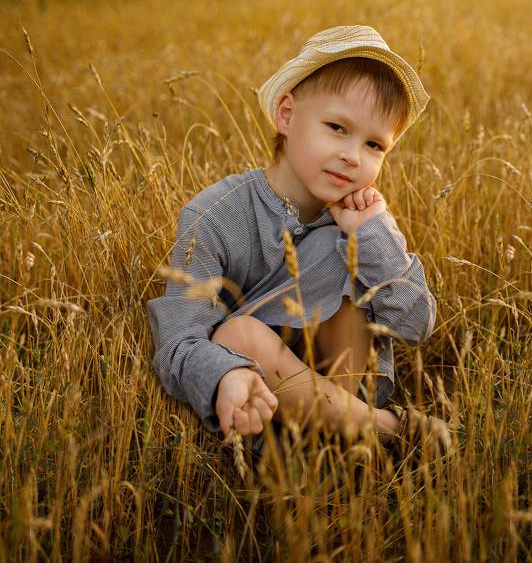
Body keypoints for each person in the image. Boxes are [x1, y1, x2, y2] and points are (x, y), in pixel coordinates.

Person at [146, 25, 451, 460]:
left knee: (338, 256)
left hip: (348, 384)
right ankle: (383, 429)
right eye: (336, 127)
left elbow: (416, 326)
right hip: (263, 399)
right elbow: (179, 340)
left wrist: (371, 233)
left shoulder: (363, 218)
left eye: (374, 145)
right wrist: (227, 375)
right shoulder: (214, 215)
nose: (353, 155)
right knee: (239, 335)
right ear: (286, 115)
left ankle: (339, 440)